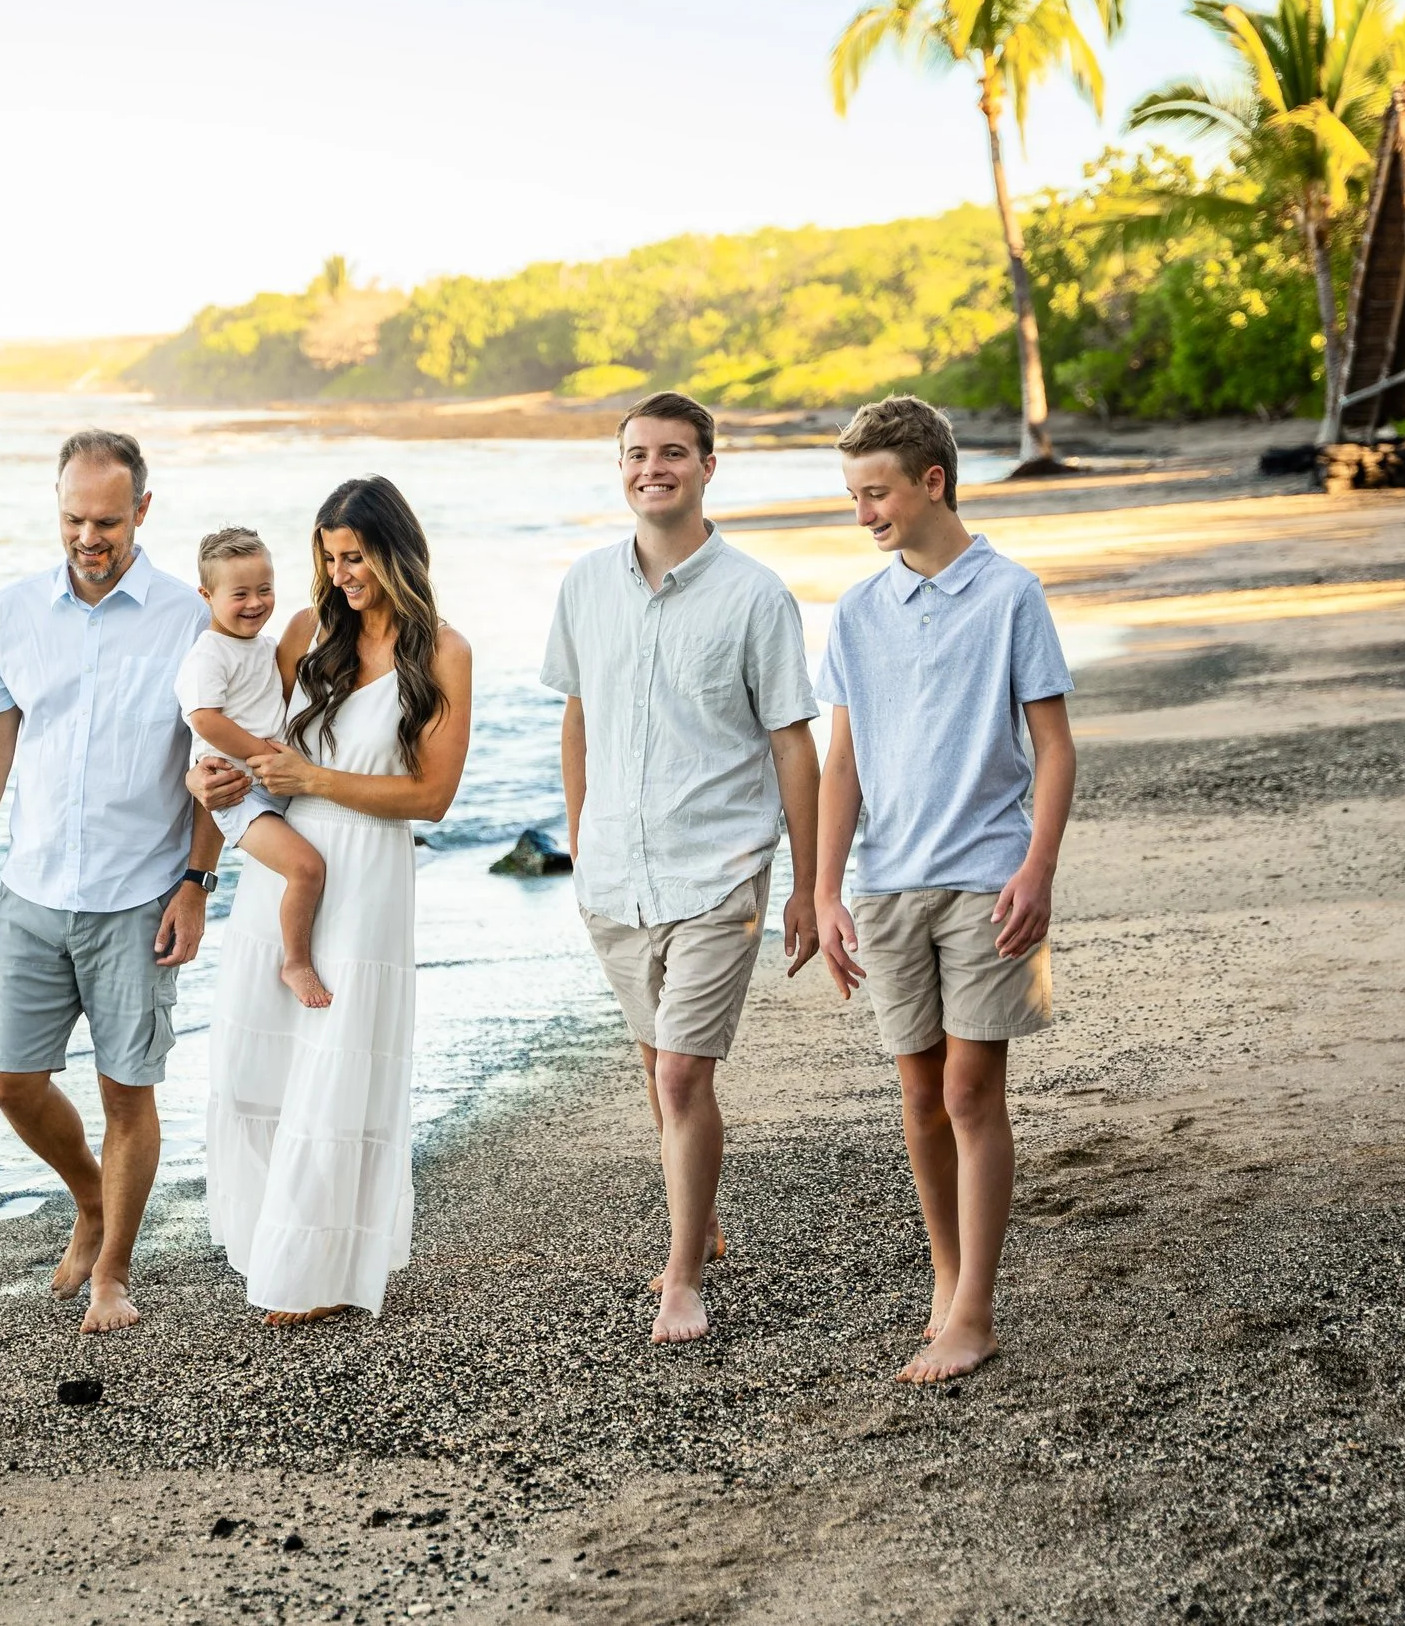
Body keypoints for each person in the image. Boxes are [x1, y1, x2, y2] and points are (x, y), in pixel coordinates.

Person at [541, 389, 822, 1347]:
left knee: (679, 1076)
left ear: (708, 465)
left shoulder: (756, 595)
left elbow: (793, 744)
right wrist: (581, 837)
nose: (651, 468)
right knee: (656, 1062)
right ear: (619, 467)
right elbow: (578, 715)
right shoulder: (585, 584)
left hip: (719, 871)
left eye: (671, 452)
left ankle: (683, 1276)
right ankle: (698, 1214)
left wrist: (808, 884)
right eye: (636, 453)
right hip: (614, 878)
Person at [813, 395, 1077, 1384]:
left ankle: (975, 1311)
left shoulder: (1010, 595)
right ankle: (946, 1274)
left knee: (970, 1089)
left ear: (932, 482)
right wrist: (826, 891)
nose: (864, 514)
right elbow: (843, 764)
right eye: (853, 496)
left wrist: (1038, 867)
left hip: (987, 877)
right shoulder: (856, 612)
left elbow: (1053, 747)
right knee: (919, 1092)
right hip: (887, 884)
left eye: (876, 493)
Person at [0, 430, 221, 1336]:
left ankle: (112, 1271)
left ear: (142, 510)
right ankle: (92, 1198)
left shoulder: (190, 618)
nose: (88, 537)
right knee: (10, 1082)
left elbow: (216, 762)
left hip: (140, 895)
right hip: (34, 889)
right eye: (73, 519)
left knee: (125, 1091)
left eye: (106, 520)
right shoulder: (15, 609)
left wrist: (197, 882)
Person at [192, 476, 473, 1325]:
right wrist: (209, 784)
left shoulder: (444, 652)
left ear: (396, 551)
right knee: (253, 1070)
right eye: (330, 558)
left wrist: (313, 778)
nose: (342, 574)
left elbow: (432, 797)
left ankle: (317, 1269)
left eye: (355, 556)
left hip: (367, 871)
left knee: (336, 1069)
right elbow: (246, 738)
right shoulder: (304, 633)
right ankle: (271, 1245)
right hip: (285, 867)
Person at [176, 526, 331, 1009]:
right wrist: (263, 753)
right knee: (306, 868)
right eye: (239, 594)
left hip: (271, 783)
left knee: (307, 868)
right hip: (238, 792)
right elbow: (204, 718)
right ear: (207, 596)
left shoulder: (265, 648)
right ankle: (296, 962)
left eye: (265, 589)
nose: (255, 603)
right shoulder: (208, 654)